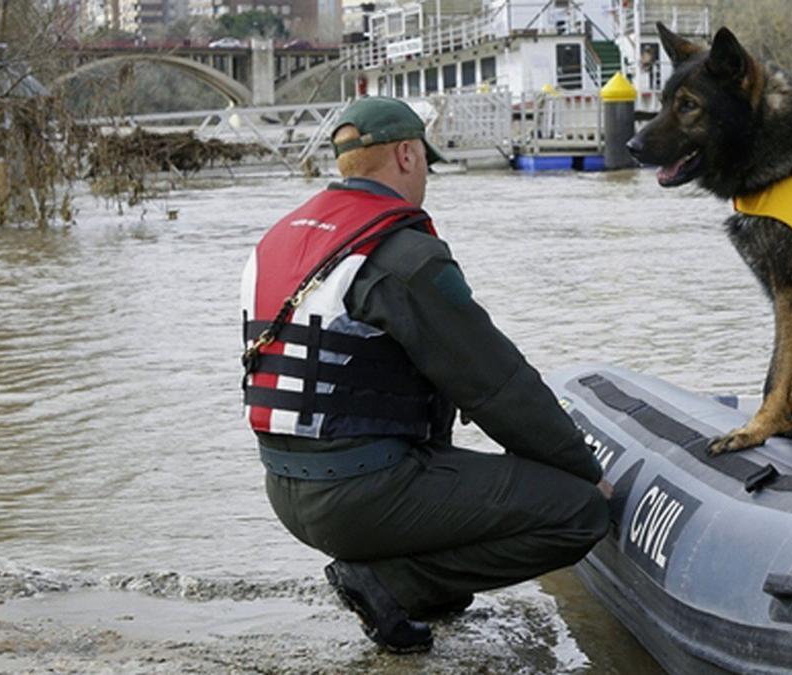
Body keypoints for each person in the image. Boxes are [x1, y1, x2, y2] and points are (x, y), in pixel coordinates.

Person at [239, 97, 611, 653]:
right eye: (426, 164)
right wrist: (583, 468)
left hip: (286, 489)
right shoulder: (400, 253)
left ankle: (428, 592)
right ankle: (390, 583)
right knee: (577, 514)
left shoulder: (280, 240)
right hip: (357, 495)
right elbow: (495, 384)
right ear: (408, 155)